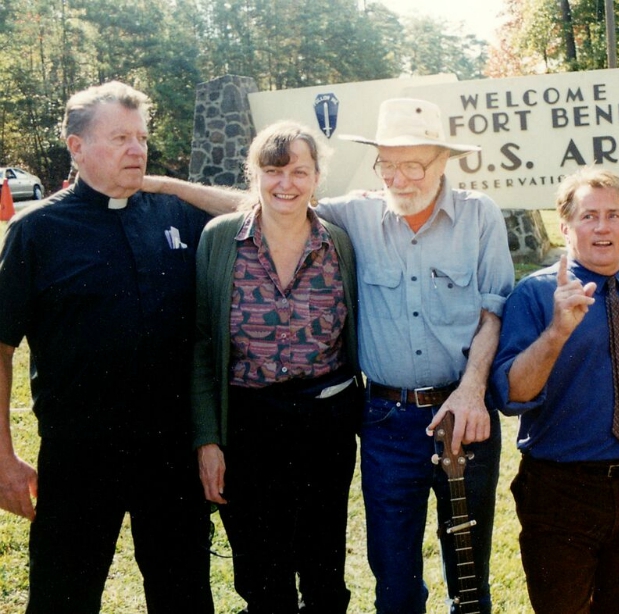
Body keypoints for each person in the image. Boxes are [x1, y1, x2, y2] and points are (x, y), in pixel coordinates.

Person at [146, 98, 516, 613]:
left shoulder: (458, 220)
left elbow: (494, 309)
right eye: (389, 164)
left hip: (427, 416)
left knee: (461, 568)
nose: (401, 178)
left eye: (415, 165)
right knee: (382, 572)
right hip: (348, 420)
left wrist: (473, 389)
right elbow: (262, 205)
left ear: (442, 162)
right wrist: (164, 184)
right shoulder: (326, 221)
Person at [0, 81, 219, 613]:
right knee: (63, 596)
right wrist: (2, 454)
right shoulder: (37, 232)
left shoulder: (175, 216)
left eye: (141, 138)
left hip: (171, 452)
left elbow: (260, 207)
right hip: (80, 453)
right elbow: (0, 349)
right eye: (120, 137)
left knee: (184, 594)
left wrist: (166, 184)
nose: (137, 149)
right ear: (76, 147)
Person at [191, 121, 362, 613]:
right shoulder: (221, 240)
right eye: (273, 171)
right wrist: (208, 439)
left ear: (316, 178)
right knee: (262, 571)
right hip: (248, 421)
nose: (286, 183)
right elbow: (204, 345)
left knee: (324, 561)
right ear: (254, 175)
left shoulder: (337, 245)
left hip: (324, 421)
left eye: (299, 172)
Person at [490, 169, 619, 614]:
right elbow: (511, 395)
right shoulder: (536, 294)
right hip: (560, 488)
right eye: (589, 216)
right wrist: (556, 332)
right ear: (565, 227)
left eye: (614, 215)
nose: (603, 227)